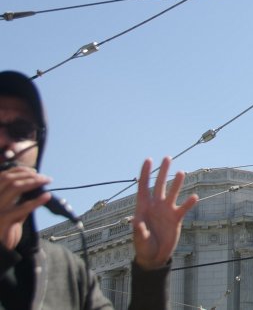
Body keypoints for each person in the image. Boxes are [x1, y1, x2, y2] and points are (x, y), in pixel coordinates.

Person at [0, 71, 199, 309]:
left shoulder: (66, 270)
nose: (5, 142)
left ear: (38, 147)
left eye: (21, 130)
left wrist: (151, 272)